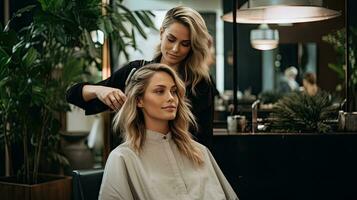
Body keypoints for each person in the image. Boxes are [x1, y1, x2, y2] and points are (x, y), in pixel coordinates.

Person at [66, 6, 214, 147]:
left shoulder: (199, 83)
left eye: (185, 44)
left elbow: (203, 140)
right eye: (171, 39)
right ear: (162, 33)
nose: (175, 49)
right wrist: (99, 90)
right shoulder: (135, 73)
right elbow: (72, 95)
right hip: (133, 159)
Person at [98, 64, 238, 200]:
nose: (171, 97)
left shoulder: (200, 152)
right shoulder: (123, 158)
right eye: (160, 91)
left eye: (174, 91)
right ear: (139, 100)